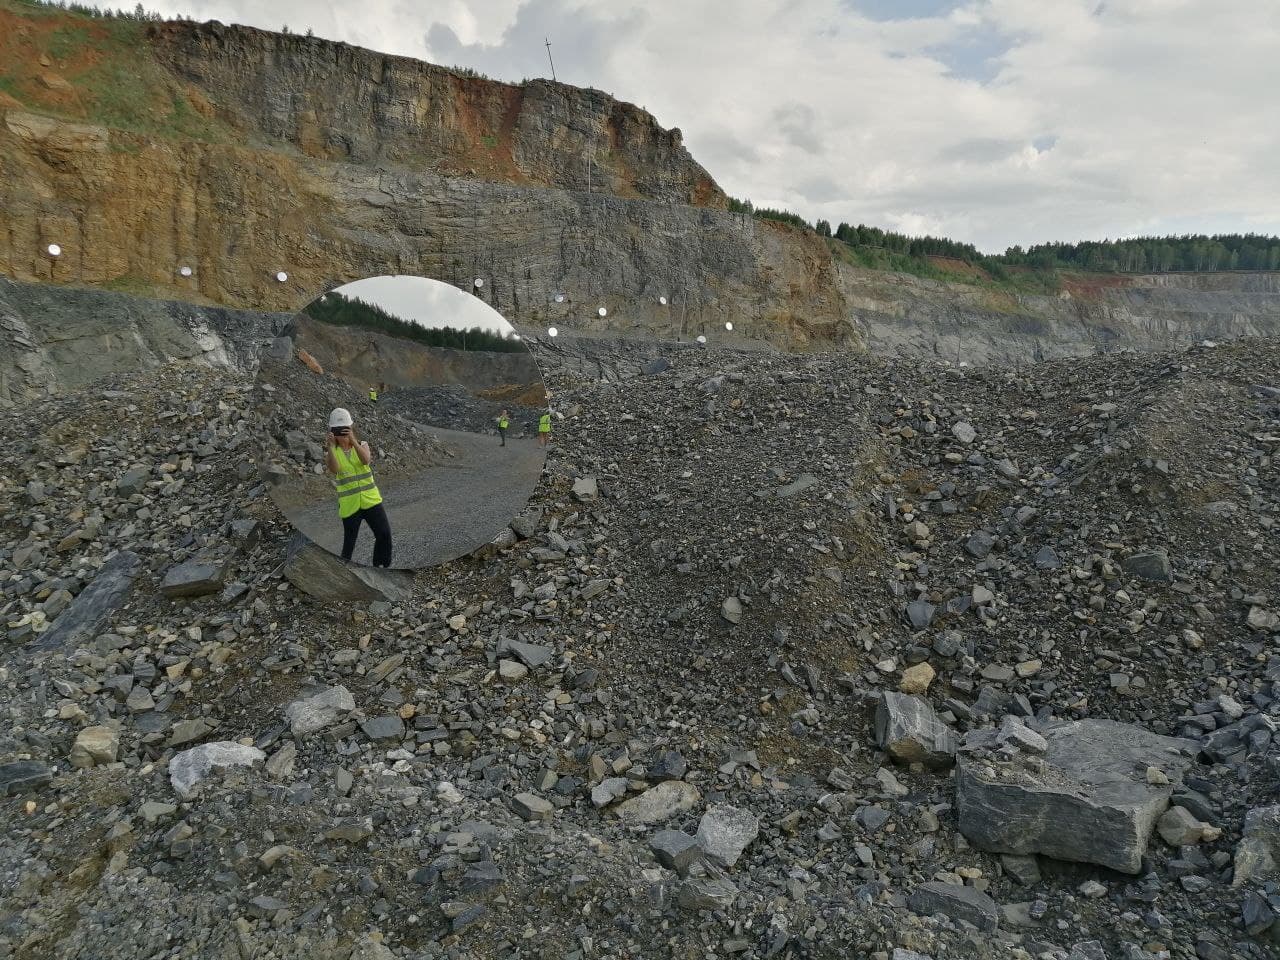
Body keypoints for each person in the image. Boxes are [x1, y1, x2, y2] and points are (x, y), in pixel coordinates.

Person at [323, 407, 392, 567]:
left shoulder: (361, 444)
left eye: (344, 429)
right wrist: (331, 447)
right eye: (337, 430)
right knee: (349, 544)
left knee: (384, 534)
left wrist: (353, 440)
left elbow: (366, 460)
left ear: (351, 427)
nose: (341, 433)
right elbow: (335, 469)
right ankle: (343, 572)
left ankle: (381, 568)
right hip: (350, 505)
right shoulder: (333, 452)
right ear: (332, 431)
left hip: (371, 500)